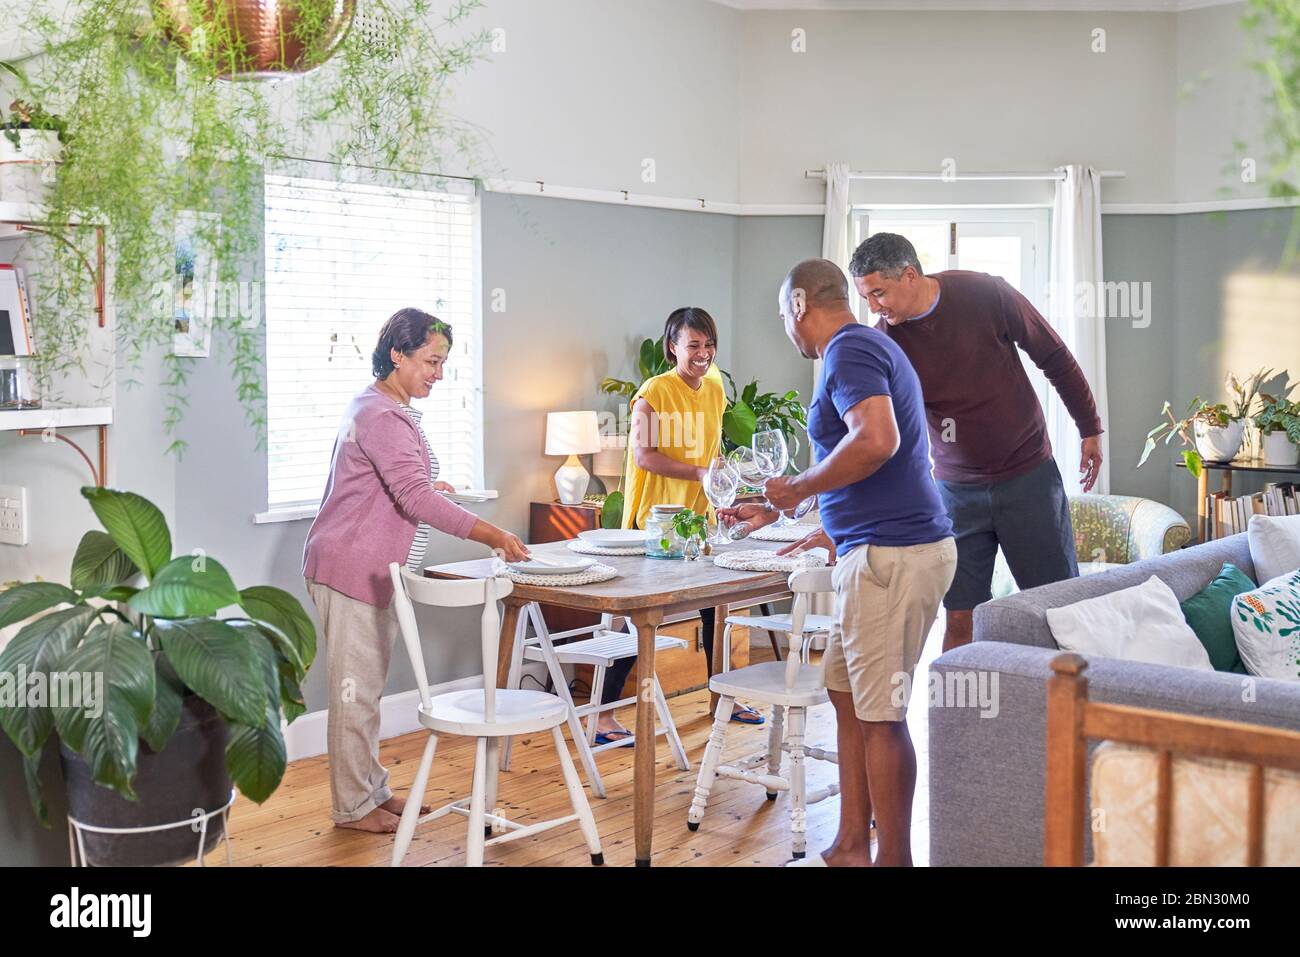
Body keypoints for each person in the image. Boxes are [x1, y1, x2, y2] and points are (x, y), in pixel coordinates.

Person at [723, 259, 956, 866]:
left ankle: (892, 860)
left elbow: (877, 440)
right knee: (849, 699)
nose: (786, 329)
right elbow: (880, 467)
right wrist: (811, 519)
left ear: (800, 303)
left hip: (891, 556)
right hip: (879, 546)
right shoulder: (866, 347)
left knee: (880, 715)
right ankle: (852, 844)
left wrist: (798, 488)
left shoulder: (848, 351)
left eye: (782, 315)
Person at [302, 307, 529, 834]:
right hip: (350, 567)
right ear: (397, 354)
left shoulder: (384, 407)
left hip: (368, 568)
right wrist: (493, 535)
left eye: (444, 362)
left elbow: (401, 484)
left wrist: (431, 489)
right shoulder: (382, 414)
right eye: (430, 360)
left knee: (367, 690)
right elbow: (411, 494)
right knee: (355, 693)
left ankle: (371, 791)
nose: (438, 373)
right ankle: (353, 809)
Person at [849, 233, 1104, 652]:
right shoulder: (887, 342)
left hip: (1029, 478)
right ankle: (954, 716)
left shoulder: (986, 293)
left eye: (879, 293)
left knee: (1058, 609)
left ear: (910, 275)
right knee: (960, 617)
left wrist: (1088, 427)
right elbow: (888, 437)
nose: (874, 307)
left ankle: (1065, 713)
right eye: (867, 297)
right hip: (955, 492)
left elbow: (1053, 356)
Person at [593, 307, 763, 745]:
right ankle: (603, 718)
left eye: (709, 345)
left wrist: (727, 476)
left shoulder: (716, 386)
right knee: (634, 620)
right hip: (654, 521)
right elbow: (643, 455)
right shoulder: (653, 392)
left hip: (698, 517)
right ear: (673, 347)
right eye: (694, 345)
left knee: (715, 607)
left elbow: (711, 449)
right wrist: (701, 473)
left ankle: (719, 698)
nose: (703, 353)